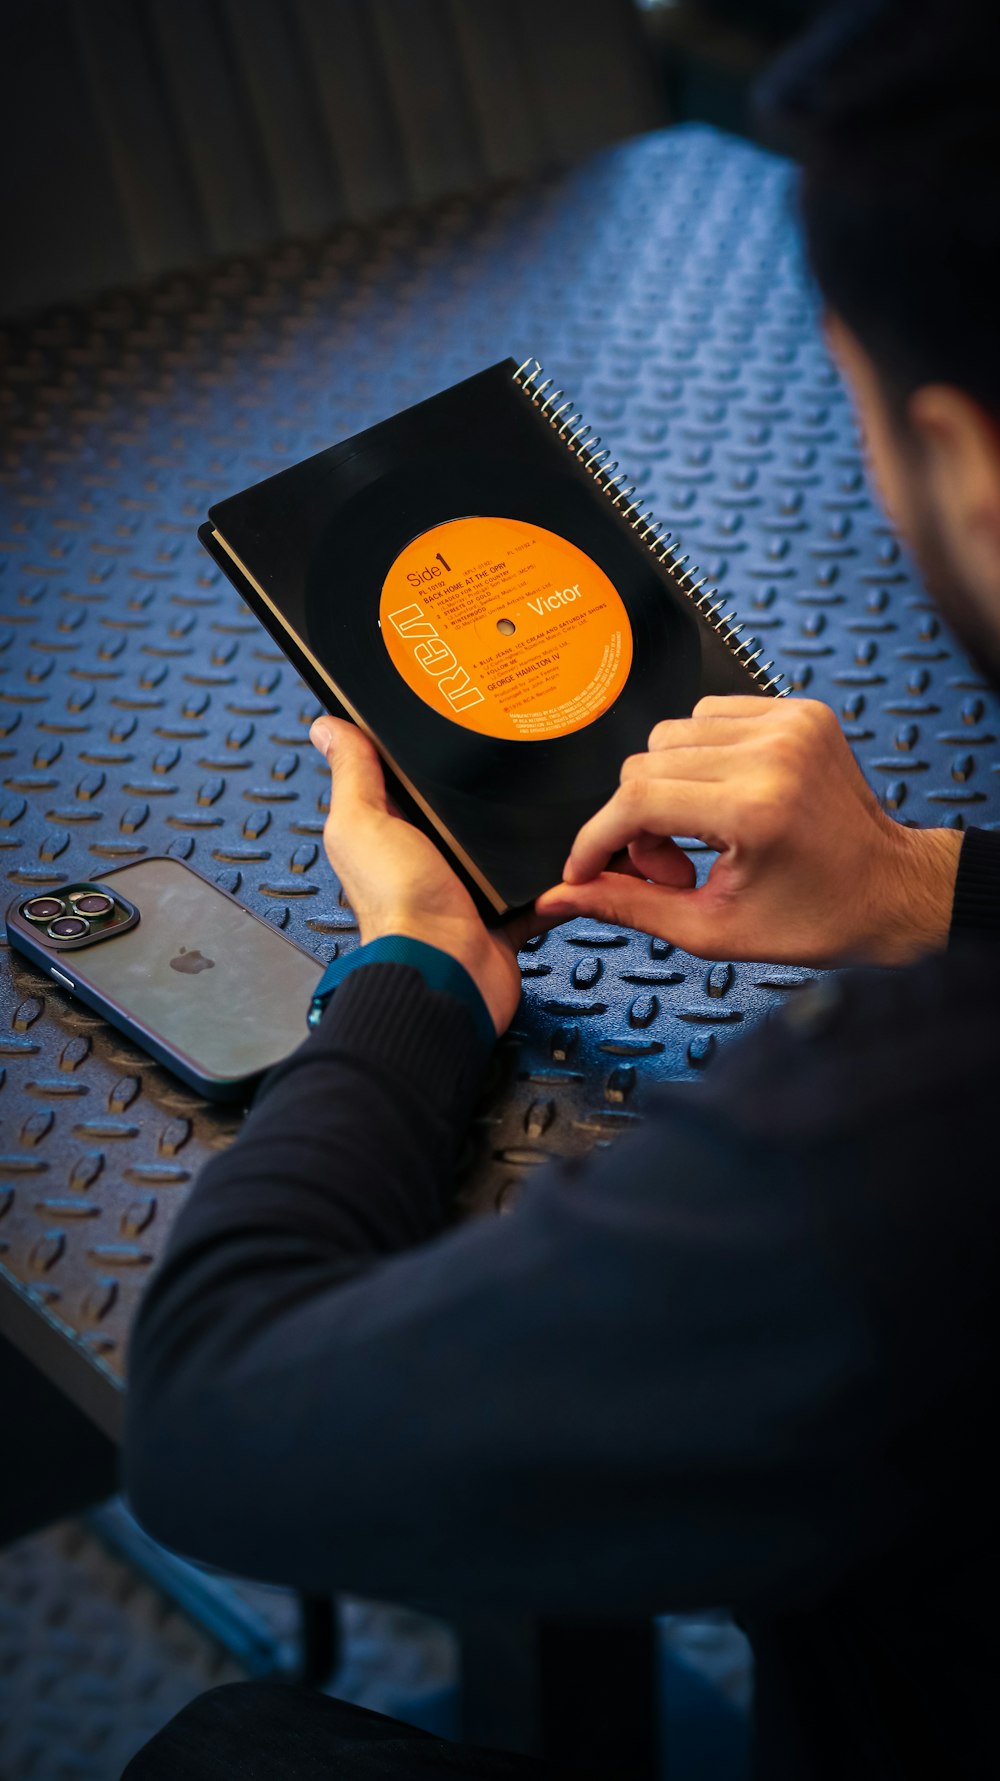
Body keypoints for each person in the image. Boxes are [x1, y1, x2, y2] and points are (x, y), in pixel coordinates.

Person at [122, 2, 1000, 1777]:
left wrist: (418, 971)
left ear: (968, 467)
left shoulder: (892, 1154)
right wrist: (931, 881)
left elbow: (216, 1415)